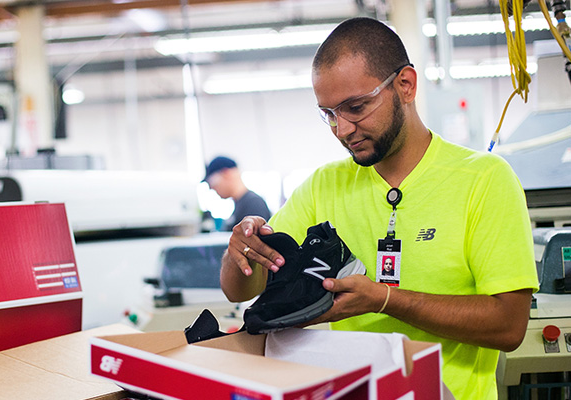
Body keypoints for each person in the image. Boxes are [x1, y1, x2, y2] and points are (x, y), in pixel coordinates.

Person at [219, 17, 538, 400]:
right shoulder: (325, 185)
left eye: (355, 107)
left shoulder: (484, 180)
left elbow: (509, 327)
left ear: (405, 85)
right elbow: (242, 290)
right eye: (329, 114)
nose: (342, 130)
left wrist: (387, 300)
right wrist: (241, 249)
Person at [203, 156, 272, 232]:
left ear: (226, 173)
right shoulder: (240, 203)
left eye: (212, 182)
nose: (211, 188)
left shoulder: (253, 203)